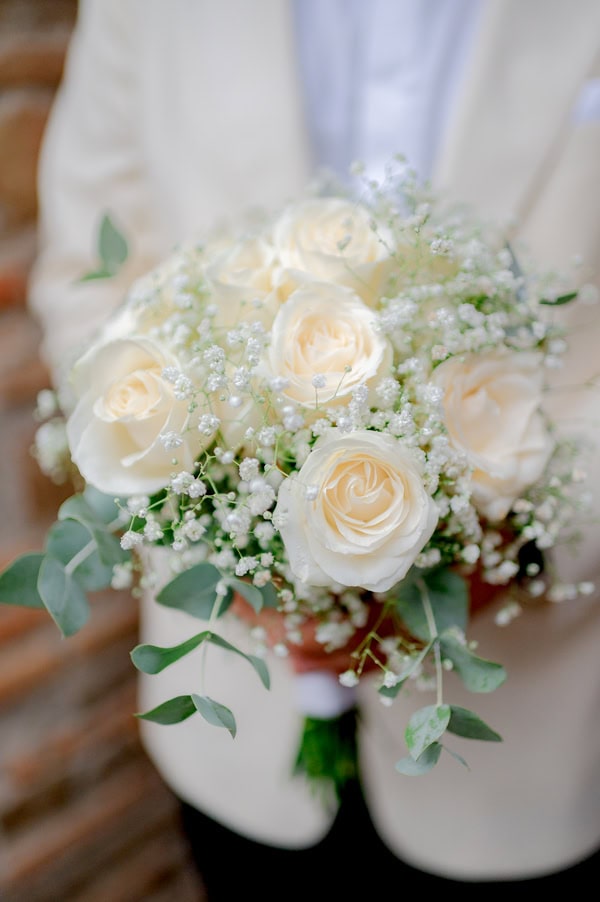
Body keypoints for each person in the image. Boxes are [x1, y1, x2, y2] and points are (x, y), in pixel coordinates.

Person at [27, 0, 600, 897]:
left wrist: (520, 550)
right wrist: (212, 525)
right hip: (233, 733)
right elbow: (86, 279)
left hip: (536, 743)